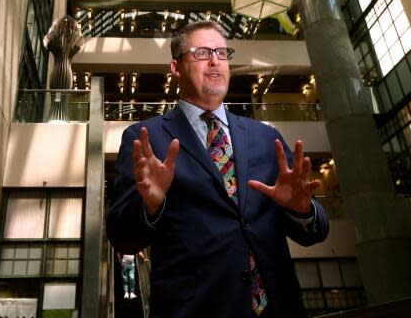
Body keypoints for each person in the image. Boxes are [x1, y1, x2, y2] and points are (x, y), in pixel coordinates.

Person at [107, 20, 328, 317]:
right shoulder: (145, 139)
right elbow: (122, 237)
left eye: (222, 53)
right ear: (175, 67)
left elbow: (314, 233)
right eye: (202, 53)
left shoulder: (266, 138)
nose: (214, 61)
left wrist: (302, 211)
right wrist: (150, 206)